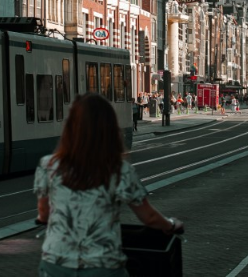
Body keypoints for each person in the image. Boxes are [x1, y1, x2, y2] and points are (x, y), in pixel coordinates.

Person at [34, 94, 184, 276]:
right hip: (101, 265)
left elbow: (44, 212)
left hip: (56, 264)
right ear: (110, 129)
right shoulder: (119, 170)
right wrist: (170, 225)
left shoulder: (48, 165)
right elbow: (149, 217)